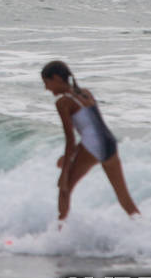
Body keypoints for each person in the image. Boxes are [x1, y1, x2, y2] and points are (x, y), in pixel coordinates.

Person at [40, 60, 140, 220]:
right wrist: (69, 157)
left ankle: (58, 233)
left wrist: (64, 172)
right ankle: (143, 228)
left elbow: (70, 139)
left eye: (47, 82)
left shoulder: (63, 103)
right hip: (110, 143)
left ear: (57, 78)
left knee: (64, 189)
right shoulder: (85, 93)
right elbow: (93, 129)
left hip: (93, 146)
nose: (46, 88)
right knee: (124, 197)